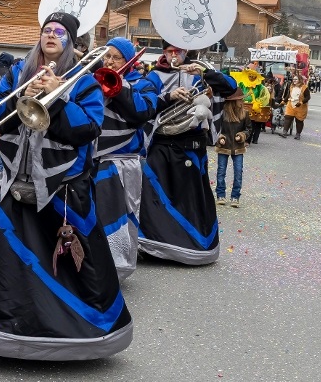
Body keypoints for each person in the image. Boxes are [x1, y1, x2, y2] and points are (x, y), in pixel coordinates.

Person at [0, 12, 131, 360]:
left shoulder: (84, 81)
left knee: (70, 269)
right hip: (12, 181)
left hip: (62, 190)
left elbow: (87, 129)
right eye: (46, 30)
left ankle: (75, 334)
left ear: (70, 41)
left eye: (59, 32)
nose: (51, 35)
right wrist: (18, 100)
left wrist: (57, 96)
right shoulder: (18, 72)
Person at [138, 44, 237, 265]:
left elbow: (231, 87)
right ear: (163, 52)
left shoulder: (201, 70)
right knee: (155, 195)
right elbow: (144, 104)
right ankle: (155, 246)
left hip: (192, 147)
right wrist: (168, 96)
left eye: (178, 51)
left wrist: (204, 73)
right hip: (163, 145)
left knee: (190, 198)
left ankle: (191, 247)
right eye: (169, 51)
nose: (174, 55)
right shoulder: (154, 75)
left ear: (186, 51)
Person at [92, 37, 158, 279]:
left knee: (119, 215)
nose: (109, 62)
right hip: (93, 159)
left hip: (122, 161)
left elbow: (142, 112)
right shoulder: (92, 80)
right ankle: (91, 268)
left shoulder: (144, 84)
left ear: (129, 61)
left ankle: (116, 268)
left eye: (116, 57)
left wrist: (119, 86)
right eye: (106, 56)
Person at [215, 90, 252, 207]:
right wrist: (220, 137)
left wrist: (242, 135)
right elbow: (216, 128)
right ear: (233, 101)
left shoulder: (245, 113)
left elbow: (249, 129)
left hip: (238, 147)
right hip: (224, 146)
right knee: (221, 172)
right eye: (240, 99)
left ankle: (235, 197)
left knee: (238, 172)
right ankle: (220, 195)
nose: (242, 101)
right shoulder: (222, 113)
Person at [232, 64, 270, 144]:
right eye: (250, 75)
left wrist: (258, 102)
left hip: (254, 108)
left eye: (253, 75)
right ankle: (242, 138)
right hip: (243, 106)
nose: (252, 77)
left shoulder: (260, 87)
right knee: (243, 122)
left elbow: (265, 96)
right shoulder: (242, 84)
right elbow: (237, 92)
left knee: (253, 123)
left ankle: (251, 140)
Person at [279, 74, 310, 139]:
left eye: (296, 79)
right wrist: (283, 102)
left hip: (300, 106)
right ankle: (284, 132)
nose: (294, 80)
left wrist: (301, 102)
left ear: (300, 80)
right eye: (293, 79)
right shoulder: (291, 86)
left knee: (299, 120)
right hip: (291, 104)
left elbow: (308, 97)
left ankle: (298, 134)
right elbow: (289, 95)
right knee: (288, 117)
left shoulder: (304, 87)